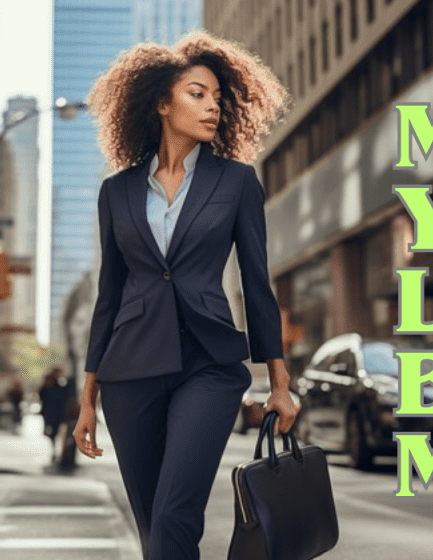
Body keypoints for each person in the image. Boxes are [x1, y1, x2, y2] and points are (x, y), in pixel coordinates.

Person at [73, 31, 299, 560]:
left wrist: (280, 382)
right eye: (198, 93)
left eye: (218, 98)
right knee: (155, 527)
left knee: (176, 511)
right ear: (160, 102)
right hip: (129, 371)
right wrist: (88, 396)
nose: (212, 106)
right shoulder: (118, 191)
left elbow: (256, 282)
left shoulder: (237, 182)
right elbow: (110, 294)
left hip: (210, 365)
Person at [38, 367, 70, 460]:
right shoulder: (47, 385)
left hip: (59, 412)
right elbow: (42, 396)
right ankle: (55, 449)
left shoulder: (61, 385)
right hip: (49, 413)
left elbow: (65, 394)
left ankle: (59, 451)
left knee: (57, 432)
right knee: (50, 432)